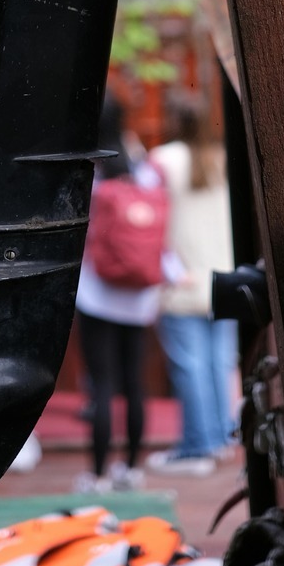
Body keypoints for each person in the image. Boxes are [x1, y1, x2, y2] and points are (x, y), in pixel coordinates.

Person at [73, 95, 166, 494]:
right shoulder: (141, 165)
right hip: (140, 295)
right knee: (134, 383)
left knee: (102, 383)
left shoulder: (88, 170)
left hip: (97, 293)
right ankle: (130, 469)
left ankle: (96, 475)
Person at [146, 104, 238, 476]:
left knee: (190, 366)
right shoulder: (222, 159)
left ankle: (197, 446)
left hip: (182, 280)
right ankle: (222, 439)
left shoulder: (162, 160)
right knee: (220, 363)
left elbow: (148, 219)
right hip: (224, 279)